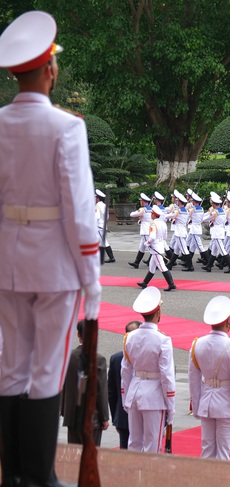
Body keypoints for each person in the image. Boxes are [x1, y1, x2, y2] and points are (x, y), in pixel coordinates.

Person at [0, 11, 102, 486]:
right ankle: (39, 475)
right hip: (55, 267)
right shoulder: (66, 128)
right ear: (49, 70)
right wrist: (92, 280)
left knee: (10, 367)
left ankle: (14, 471)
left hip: (7, 262)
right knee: (45, 369)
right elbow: (80, 213)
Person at [189, 296, 230, 461]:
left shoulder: (197, 344)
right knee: (225, 453)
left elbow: (193, 379)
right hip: (226, 406)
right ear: (228, 321)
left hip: (207, 403)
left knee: (207, 451)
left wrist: (197, 405)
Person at [122, 287, 176, 453]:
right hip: (154, 396)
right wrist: (171, 406)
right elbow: (167, 376)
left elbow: (125, 371)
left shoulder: (130, 337)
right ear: (158, 312)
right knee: (152, 446)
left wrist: (126, 397)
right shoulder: (163, 340)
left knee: (134, 443)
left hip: (134, 392)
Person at [61, 320, 110, 446]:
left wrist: (63, 409)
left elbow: (63, 384)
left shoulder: (68, 357)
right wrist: (104, 417)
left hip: (71, 416)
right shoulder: (98, 359)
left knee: (74, 456)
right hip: (92, 418)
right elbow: (101, 391)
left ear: (78, 335)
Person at [108, 320, 141, 449]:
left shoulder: (116, 358)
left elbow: (111, 393)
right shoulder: (116, 359)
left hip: (124, 417)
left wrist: (116, 417)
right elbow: (111, 391)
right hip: (132, 416)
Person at [136, 206, 176, 291]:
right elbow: (165, 236)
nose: (151, 214)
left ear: (154, 214)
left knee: (162, 267)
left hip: (155, 247)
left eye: (151, 213)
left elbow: (152, 237)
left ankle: (171, 284)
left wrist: (147, 242)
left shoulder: (153, 224)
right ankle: (145, 282)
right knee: (152, 266)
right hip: (160, 245)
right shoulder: (163, 223)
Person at [95, 189, 115, 263]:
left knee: (104, 242)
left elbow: (96, 217)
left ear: (98, 198)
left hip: (99, 226)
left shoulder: (97, 206)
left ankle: (111, 257)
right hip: (103, 225)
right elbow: (107, 217)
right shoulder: (104, 205)